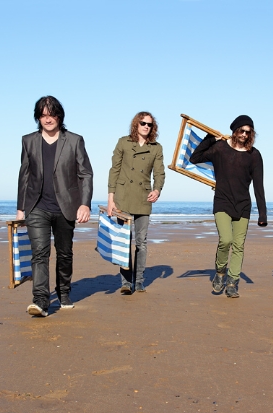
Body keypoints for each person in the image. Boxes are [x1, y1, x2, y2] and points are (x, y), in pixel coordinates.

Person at [16, 96, 93, 316]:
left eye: (51, 114)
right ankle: (40, 300)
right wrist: (21, 207)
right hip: (36, 206)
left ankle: (64, 291)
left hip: (65, 206)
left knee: (64, 253)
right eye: (43, 115)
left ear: (59, 116)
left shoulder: (75, 140)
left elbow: (85, 174)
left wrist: (84, 204)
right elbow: (24, 175)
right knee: (39, 253)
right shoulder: (28, 140)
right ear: (38, 117)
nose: (47, 119)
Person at [189, 115, 267, 298]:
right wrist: (210, 138)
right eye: (242, 131)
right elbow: (195, 158)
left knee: (239, 245)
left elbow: (258, 186)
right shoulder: (219, 148)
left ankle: (232, 282)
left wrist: (262, 214)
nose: (245, 135)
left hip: (243, 205)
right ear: (234, 130)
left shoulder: (254, 155)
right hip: (222, 202)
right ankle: (220, 272)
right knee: (226, 240)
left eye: (248, 132)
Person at [107, 112, 165, 294]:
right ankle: (125, 282)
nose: (146, 126)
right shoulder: (123, 142)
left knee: (141, 242)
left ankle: (138, 281)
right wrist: (111, 199)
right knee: (124, 241)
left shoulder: (156, 148)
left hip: (143, 197)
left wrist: (157, 190)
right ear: (136, 124)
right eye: (143, 123)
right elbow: (114, 169)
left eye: (149, 124)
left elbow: (159, 173)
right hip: (123, 197)